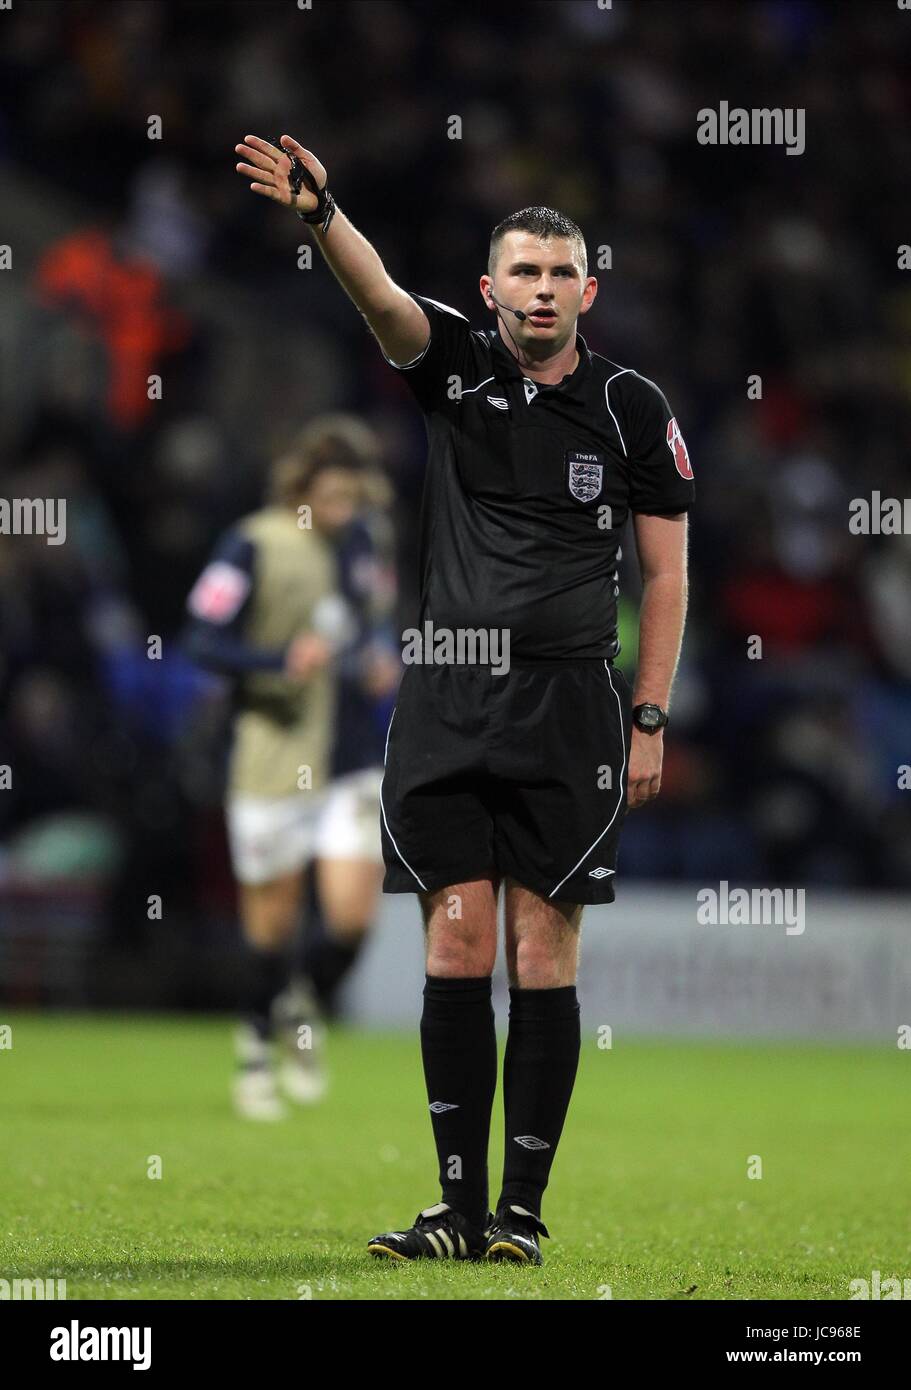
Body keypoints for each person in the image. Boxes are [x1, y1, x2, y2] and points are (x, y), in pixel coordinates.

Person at [234, 134, 694, 1259]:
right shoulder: (453, 364)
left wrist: (646, 713)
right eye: (520, 274)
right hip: (446, 701)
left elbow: (668, 574)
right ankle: (451, 1206)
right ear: (490, 291)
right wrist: (320, 216)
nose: (540, 290)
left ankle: (521, 1218)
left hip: (567, 711)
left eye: (559, 272)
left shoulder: (632, 410)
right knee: (453, 945)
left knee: (541, 952)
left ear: (588, 287)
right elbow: (380, 295)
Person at [183, 415, 394, 1119]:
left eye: (353, 497)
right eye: (332, 495)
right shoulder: (253, 543)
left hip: (350, 758)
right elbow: (201, 640)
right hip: (274, 752)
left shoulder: (365, 541)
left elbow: (369, 621)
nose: (343, 510)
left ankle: (300, 1001)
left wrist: (377, 658)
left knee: (351, 919)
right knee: (269, 926)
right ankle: (253, 1044)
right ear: (300, 490)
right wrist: (278, 662)